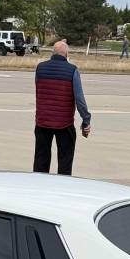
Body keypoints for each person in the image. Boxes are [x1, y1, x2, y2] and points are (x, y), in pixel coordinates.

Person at [33, 40, 91, 176]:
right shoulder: (72, 70)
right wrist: (86, 120)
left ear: (52, 53)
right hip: (64, 124)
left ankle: (38, 188)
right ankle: (62, 188)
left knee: (40, 162)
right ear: (66, 54)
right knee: (65, 163)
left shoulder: (40, 68)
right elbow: (79, 99)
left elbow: (39, 92)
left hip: (42, 123)